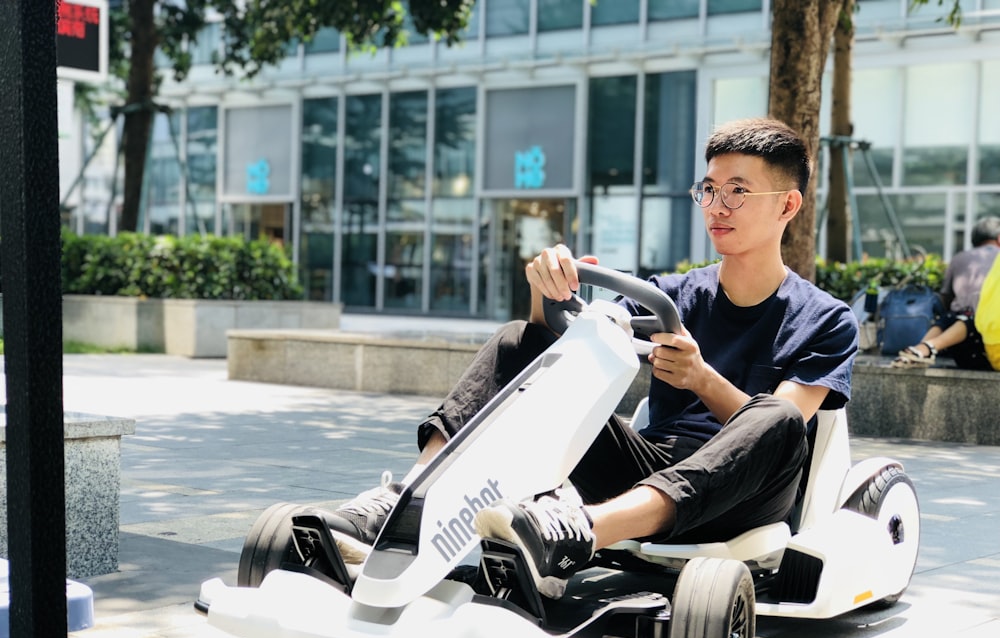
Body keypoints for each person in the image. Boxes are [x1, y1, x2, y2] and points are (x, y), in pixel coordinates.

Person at [327, 117, 859, 599]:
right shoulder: (669, 294)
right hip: (646, 467)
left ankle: (578, 531)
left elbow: (784, 426)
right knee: (518, 339)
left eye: (738, 192)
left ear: (787, 205)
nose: (718, 207)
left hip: (744, 494)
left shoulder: (827, 320)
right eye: (710, 189)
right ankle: (409, 502)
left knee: (779, 416)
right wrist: (546, 292)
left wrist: (701, 378)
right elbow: (561, 358)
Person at [892, 215, 1000, 369]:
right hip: (981, 340)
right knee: (970, 318)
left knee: (954, 316)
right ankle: (924, 349)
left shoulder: (959, 258)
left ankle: (922, 348)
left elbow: (946, 297)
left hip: (963, 338)